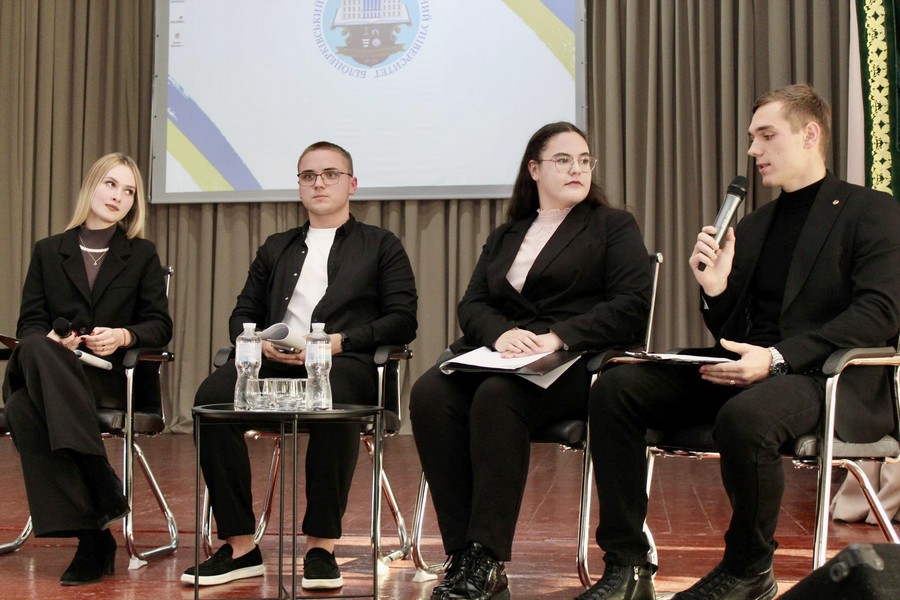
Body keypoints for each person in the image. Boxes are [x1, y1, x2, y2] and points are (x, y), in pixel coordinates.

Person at [579, 83, 900, 600]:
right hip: (752, 367)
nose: (753, 150)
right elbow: (732, 332)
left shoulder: (871, 210)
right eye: (752, 138)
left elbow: (879, 313)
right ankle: (627, 565)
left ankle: (749, 570)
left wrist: (777, 358)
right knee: (617, 388)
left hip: (827, 375)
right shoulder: (755, 225)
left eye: (766, 136)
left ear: (809, 135)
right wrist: (716, 288)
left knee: (747, 416)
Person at [410, 122, 653, 600]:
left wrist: (556, 336)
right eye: (563, 160)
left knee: (498, 395)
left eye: (584, 160)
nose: (577, 168)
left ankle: (486, 555)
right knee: (430, 393)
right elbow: (473, 304)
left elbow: (631, 304)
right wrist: (502, 333)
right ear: (535, 169)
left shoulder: (611, 225)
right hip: (507, 356)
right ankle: (463, 556)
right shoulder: (508, 234)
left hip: (578, 361)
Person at [183, 141, 417, 589]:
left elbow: (403, 319)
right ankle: (240, 546)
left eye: (330, 174)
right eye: (308, 176)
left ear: (352, 184)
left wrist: (339, 343)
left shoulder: (381, 245)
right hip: (275, 361)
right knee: (210, 401)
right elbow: (241, 314)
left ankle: (321, 548)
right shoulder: (277, 247)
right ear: (299, 186)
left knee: (333, 400)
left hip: (342, 362)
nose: (318, 183)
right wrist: (258, 342)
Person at [3, 152, 173, 586]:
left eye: (128, 191)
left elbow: (160, 325)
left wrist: (123, 335)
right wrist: (55, 340)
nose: (118, 196)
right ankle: (98, 497)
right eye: (110, 184)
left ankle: (92, 537)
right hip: (57, 370)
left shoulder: (141, 254)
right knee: (37, 344)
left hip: (111, 378)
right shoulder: (48, 251)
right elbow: (30, 323)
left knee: (22, 408)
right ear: (91, 186)